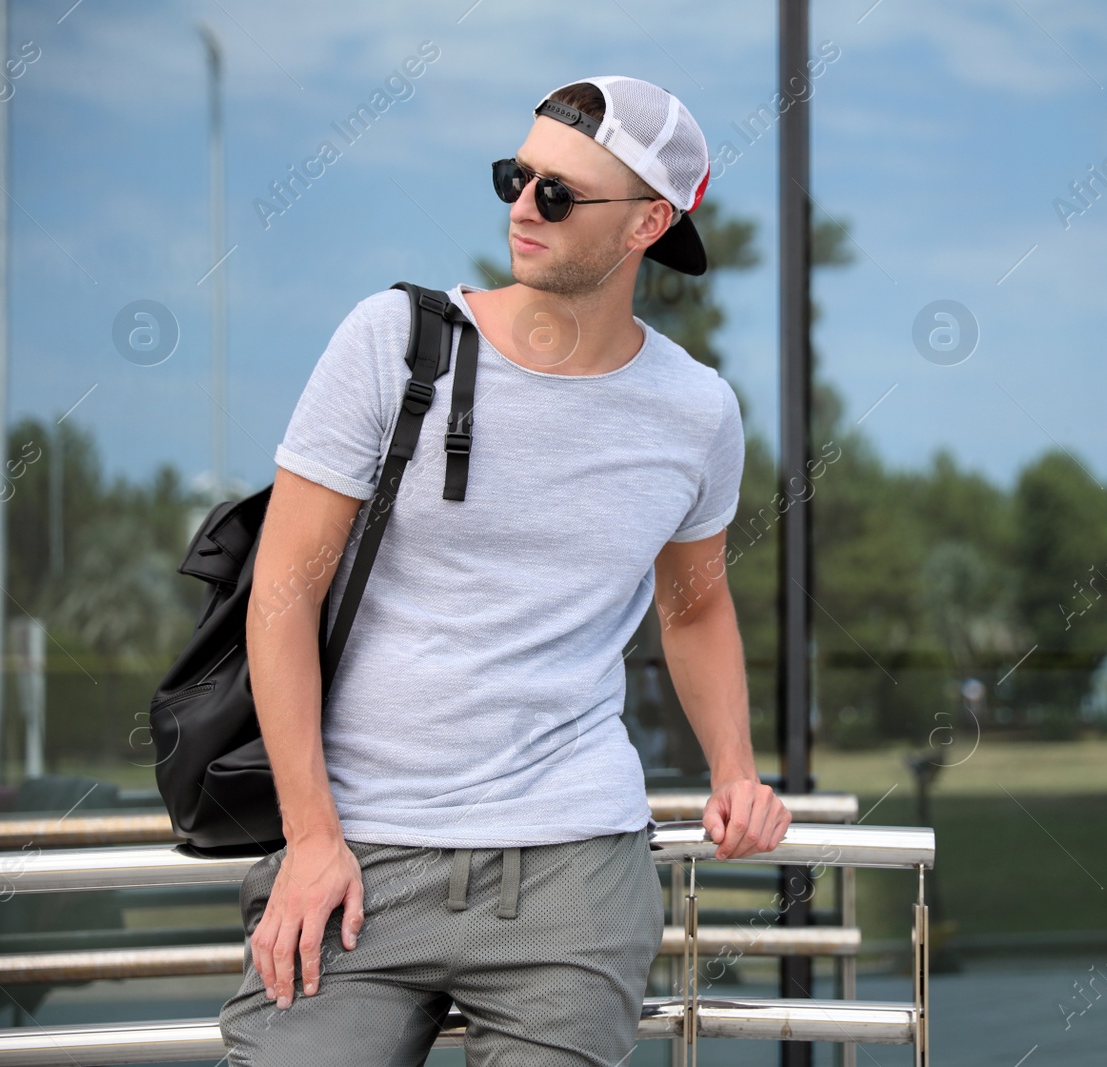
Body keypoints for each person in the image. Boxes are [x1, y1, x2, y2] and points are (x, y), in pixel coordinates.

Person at [219, 75, 791, 1066]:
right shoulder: (393, 345)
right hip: (358, 853)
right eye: (515, 178)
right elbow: (282, 592)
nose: (522, 207)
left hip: (573, 869)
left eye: (558, 193)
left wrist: (734, 768)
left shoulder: (697, 412)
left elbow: (692, 607)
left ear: (647, 223)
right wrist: (310, 836)